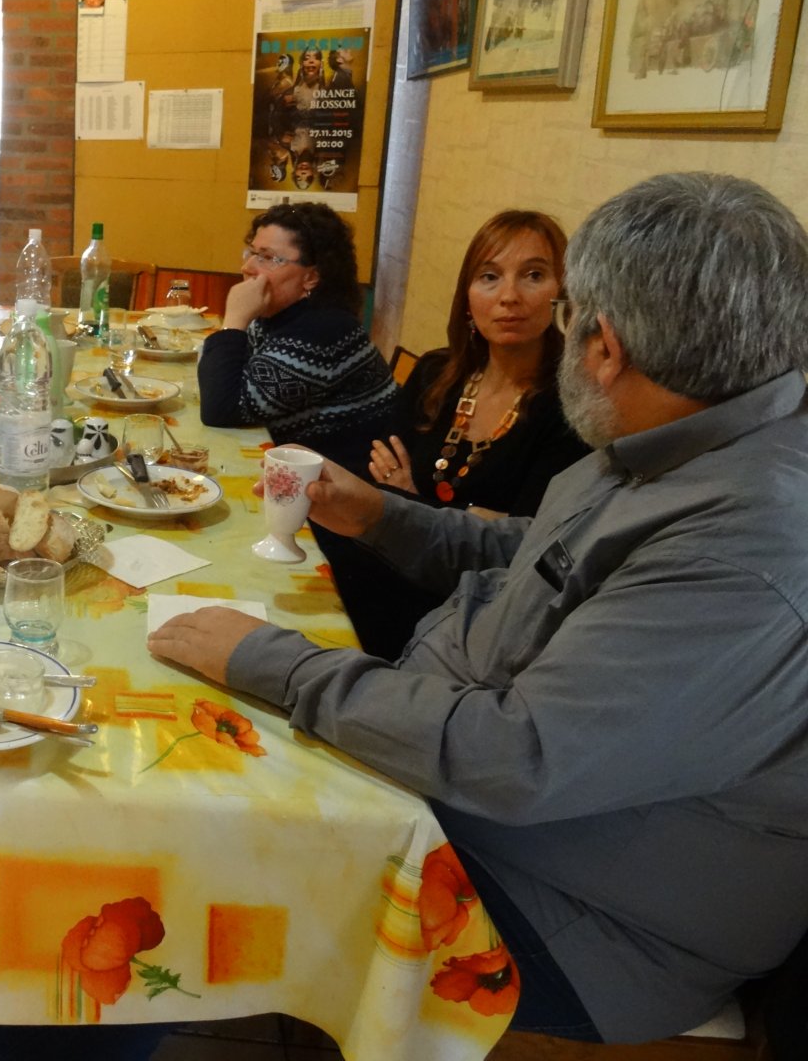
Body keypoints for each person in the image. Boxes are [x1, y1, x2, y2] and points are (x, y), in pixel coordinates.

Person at [150, 173, 808, 1045]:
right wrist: (382, 515)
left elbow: (515, 757)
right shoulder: (677, 439)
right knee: (184, 765)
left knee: (162, 858)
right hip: (483, 802)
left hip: (577, 924)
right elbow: (540, 554)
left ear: (603, 346)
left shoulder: (743, 545)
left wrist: (274, 661)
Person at [332, 210, 587, 656]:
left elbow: (524, 544)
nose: (509, 296)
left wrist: (411, 499)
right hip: (385, 573)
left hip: (472, 617)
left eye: (533, 275)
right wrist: (465, 512)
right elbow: (380, 475)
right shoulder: (435, 373)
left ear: (563, 292)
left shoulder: (570, 408)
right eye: (489, 277)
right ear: (467, 296)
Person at [197, 203, 396, 475]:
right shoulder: (278, 316)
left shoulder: (323, 333)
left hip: (341, 487)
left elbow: (221, 409)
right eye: (252, 253)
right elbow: (223, 380)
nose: (248, 267)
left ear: (311, 277)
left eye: (267, 258)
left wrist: (234, 320)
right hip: (297, 471)